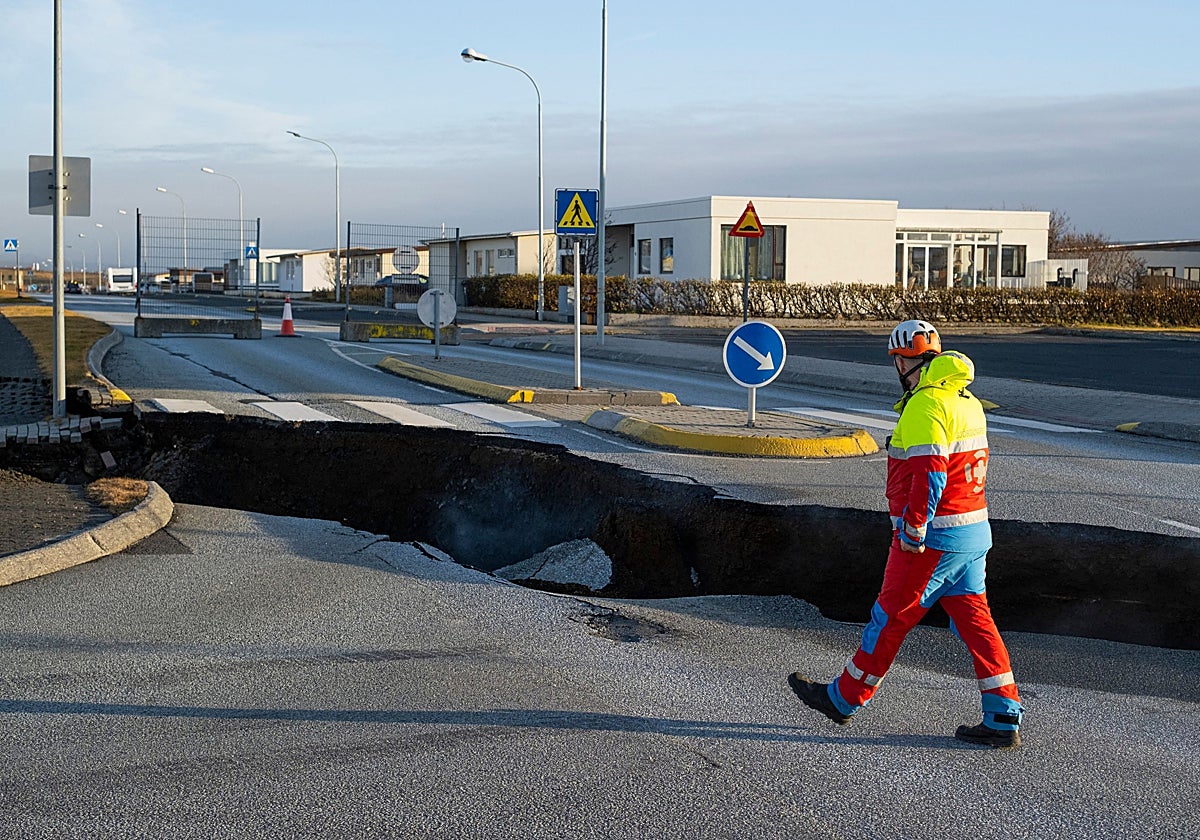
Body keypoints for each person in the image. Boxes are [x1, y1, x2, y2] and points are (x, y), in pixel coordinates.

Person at [788, 319, 1025, 749]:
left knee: (890, 617)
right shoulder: (966, 400)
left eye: (896, 359)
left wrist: (913, 530)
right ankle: (1003, 713)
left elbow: (930, 475)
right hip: (973, 533)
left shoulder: (925, 404)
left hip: (934, 538)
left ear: (903, 361)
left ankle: (843, 698)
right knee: (977, 624)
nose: (896, 366)